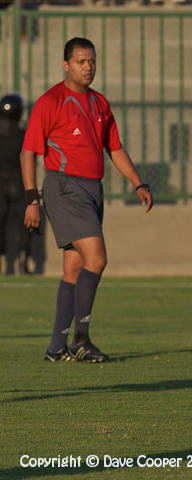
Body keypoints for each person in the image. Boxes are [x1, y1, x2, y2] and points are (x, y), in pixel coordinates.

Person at [21, 37, 153, 363]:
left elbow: (115, 148)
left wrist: (138, 183)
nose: (88, 66)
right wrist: (31, 199)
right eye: (81, 61)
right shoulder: (51, 101)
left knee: (74, 267)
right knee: (96, 257)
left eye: (92, 61)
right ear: (66, 64)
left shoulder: (99, 103)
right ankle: (81, 339)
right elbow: (29, 152)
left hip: (93, 189)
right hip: (64, 188)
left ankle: (56, 346)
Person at [0, 94, 26, 275]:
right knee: (24, 224)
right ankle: (23, 261)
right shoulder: (23, 135)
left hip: (7, 180)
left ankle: (7, 263)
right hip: (18, 180)